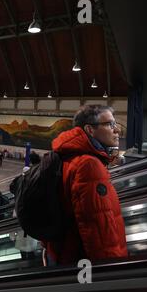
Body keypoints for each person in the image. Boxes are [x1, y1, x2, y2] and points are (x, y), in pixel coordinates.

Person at [43, 105, 128, 266]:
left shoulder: (67, 156)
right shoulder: (89, 165)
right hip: (80, 263)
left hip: (62, 253)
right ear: (90, 129)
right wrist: (112, 274)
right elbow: (98, 230)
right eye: (110, 124)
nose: (116, 130)